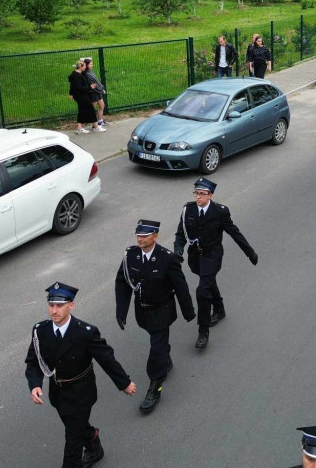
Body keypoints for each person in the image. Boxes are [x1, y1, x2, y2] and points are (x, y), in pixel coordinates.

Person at [25, 282, 137, 468]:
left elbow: (106, 359)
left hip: (81, 394)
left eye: (60, 305)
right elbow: (33, 360)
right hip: (58, 394)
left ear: (71, 305)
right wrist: (35, 384)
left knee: (72, 442)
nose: (54, 310)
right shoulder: (41, 331)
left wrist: (125, 383)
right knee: (74, 425)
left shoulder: (85, 332)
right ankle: (93, 442)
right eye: (51, 305)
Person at [116, 220, 196, 413]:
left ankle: (155, 387)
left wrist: (188, 311)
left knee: (156, 349)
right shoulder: (131, 255)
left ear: (155, 236)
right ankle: (165, 358)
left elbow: (181, 286)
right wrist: (121, 310)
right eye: (138, 235)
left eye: (144, 235)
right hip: (142, 312)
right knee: (157, 343)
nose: (140, 239)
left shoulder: (167, 258)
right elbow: (122, 282)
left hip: (162, 310)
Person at [174, 178, 258, 349]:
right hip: (195, 257)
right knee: (208, 282)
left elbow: (235, 233)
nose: (198, 197)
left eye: (202, 194)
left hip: (212, 256)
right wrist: (178, 249)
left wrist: (250, 253)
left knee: (202, 291)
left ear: (210, 195)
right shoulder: (187, 210)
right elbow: (180, 234)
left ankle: (203, 332)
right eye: (196, 193)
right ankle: (219, 308)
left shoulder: (220, 212)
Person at [69, 61, 102, 134]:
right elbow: (80, 88)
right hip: (81, 96)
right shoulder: (77, 76)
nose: (85, 67)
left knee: (82, 110)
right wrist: (90, 87)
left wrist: (70, 94)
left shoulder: (76, 74)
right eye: (84, 66)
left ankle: (79, 128)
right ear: (80, 67)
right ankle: (96, 127)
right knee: (91, 109)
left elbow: (72, 85)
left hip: (79, 95)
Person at [83, 58, 107, 128]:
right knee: (92, 110)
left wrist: (101, 88)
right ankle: (94, 125)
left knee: (102, 106)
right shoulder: (87, 74)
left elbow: (97, 82)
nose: (92, 65)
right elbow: (95, 84)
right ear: (86, 65)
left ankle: (100, 121)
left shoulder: (90, 72)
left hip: (98, 92)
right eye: (91, 64)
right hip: (93, 93)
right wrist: (101, 89)